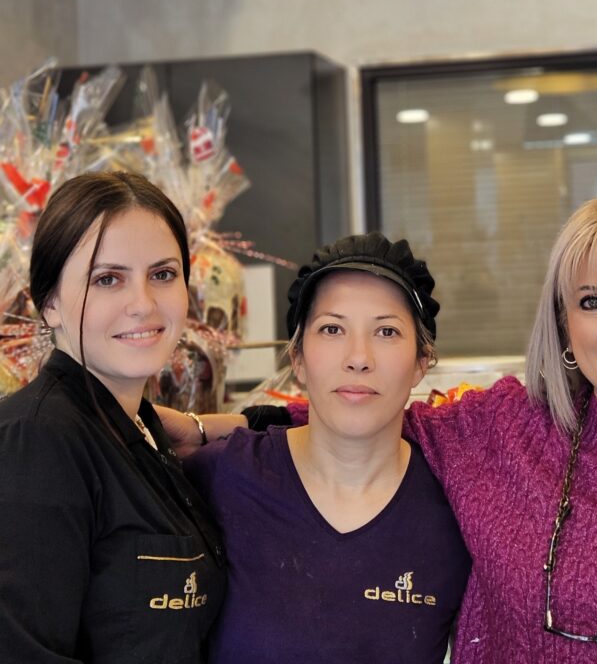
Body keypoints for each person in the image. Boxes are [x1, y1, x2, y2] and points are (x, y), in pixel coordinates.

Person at [170, 199, 597, 661]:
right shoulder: (501, 429)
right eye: (592, 301)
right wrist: (212, 427)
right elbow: (362, 411)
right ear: (564, 324)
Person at [181, 233, 471, 664]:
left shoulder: (457, 513)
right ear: (297, 358)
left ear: (421, 363)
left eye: (387, 331)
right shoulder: (222, 478)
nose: (358, 357)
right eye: (332, 329)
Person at [0, 171, 225, 664]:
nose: (143, 304)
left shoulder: (139, 428)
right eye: (108, 279)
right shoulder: (36, 443)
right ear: (49, 302)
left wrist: (214, 427)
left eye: (163, 274)